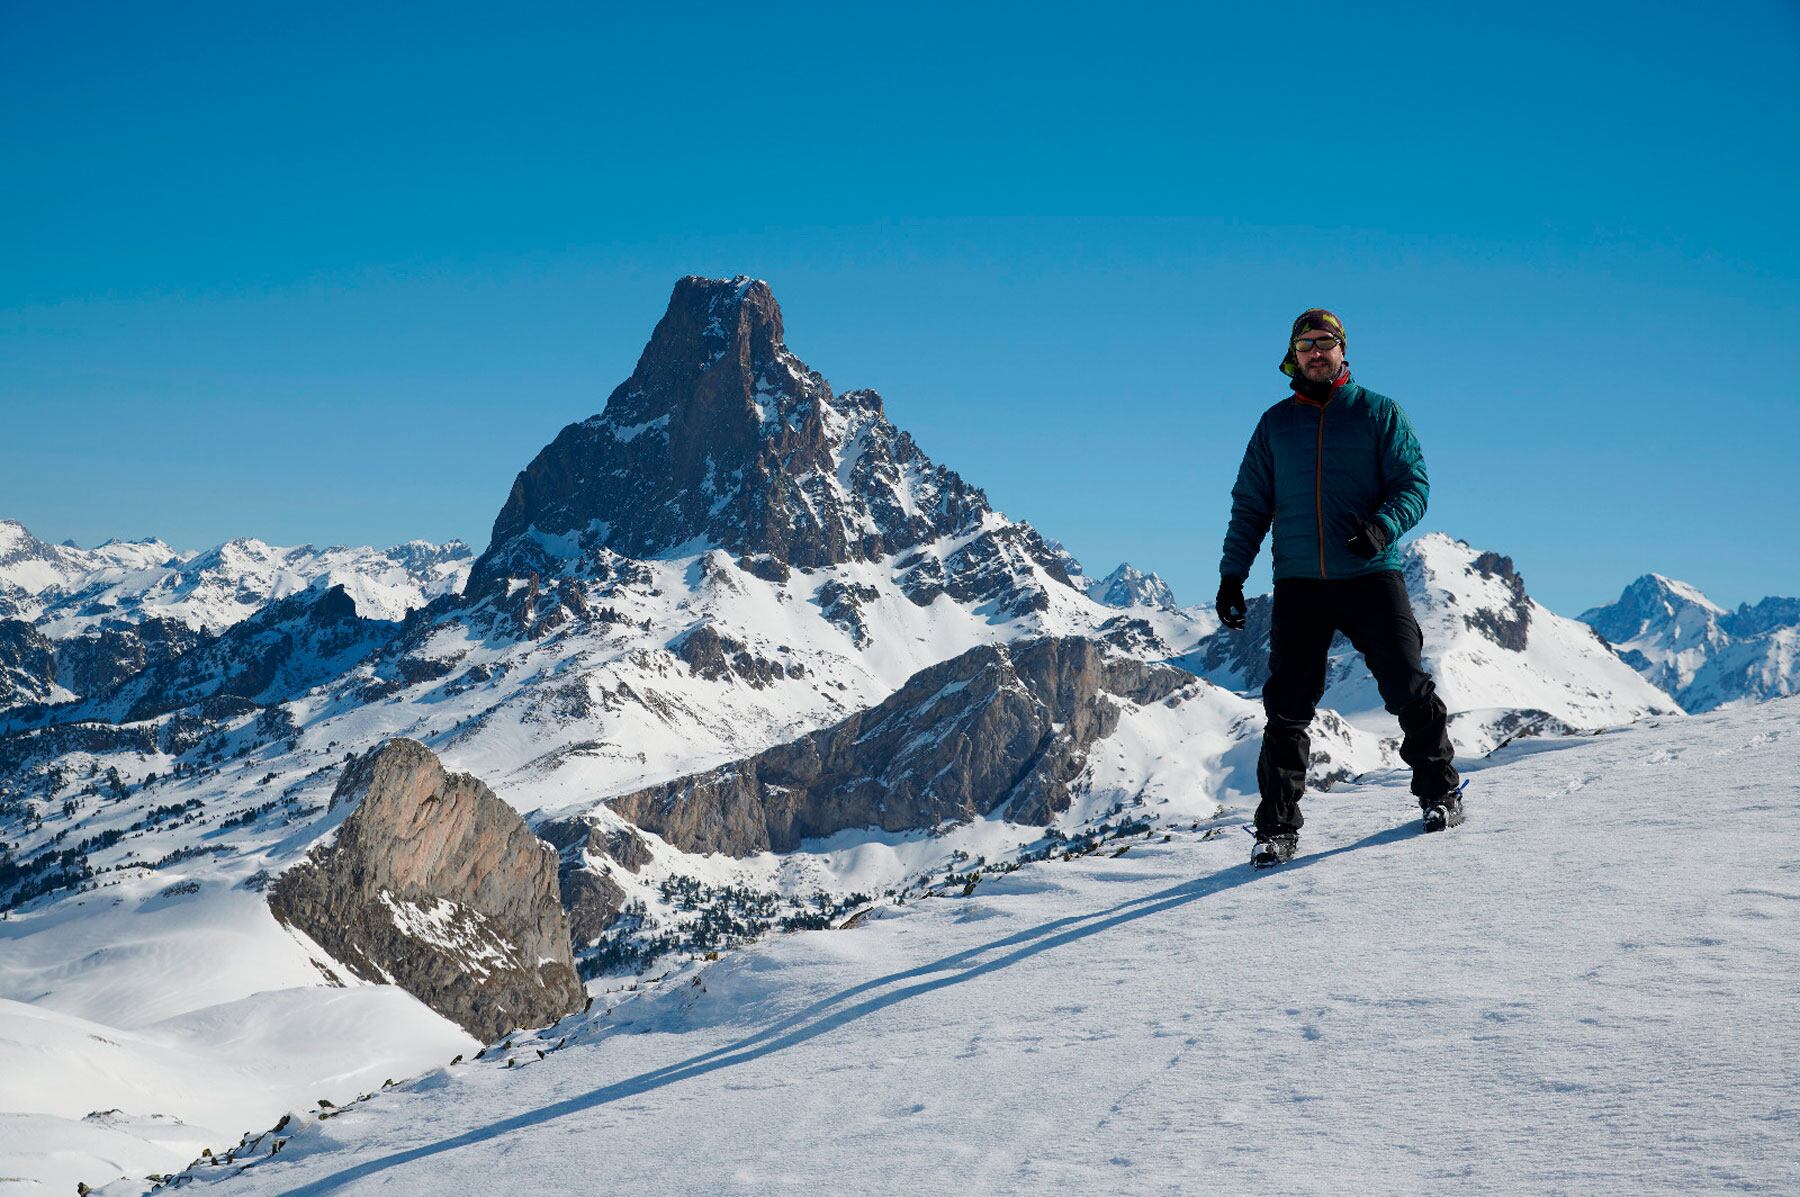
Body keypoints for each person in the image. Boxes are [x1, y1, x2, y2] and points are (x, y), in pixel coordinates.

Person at [1216, 309, 1463, 868]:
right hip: (1300, 582)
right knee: (1287, 706)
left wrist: (1382, 525)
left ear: (1342, 350)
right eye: (1306, 345)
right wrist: (1234, 574)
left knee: (1406, 684)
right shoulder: (1275, 425)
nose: (1316, 353)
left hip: (1370, 574)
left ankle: (1440, 793)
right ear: (1293, 355)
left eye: (1325, 343)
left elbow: (1413, 485)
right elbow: (1250, 504)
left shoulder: (1379, 413)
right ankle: (1276, 830)